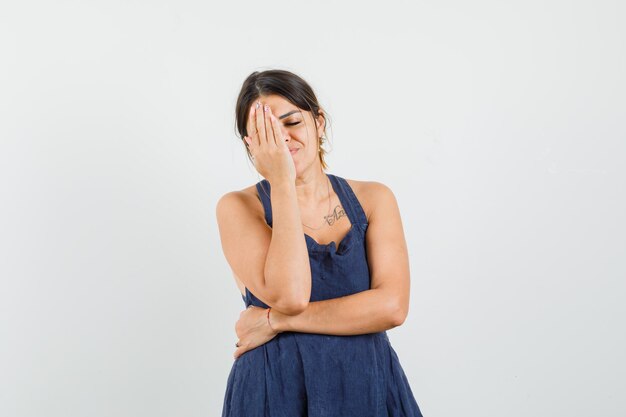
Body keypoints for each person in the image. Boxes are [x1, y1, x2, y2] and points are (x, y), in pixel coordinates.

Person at [216, 69, 424, 416]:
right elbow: (291, 295)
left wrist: (274, 321)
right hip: (276, 391)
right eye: (265, 133)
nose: (282, 139)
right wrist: (282, 182)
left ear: (319, 122)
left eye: (292, 122)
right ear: (249, 145)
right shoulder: (237, 208)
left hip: (367, 387)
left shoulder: (374, 198)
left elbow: (392, 307)